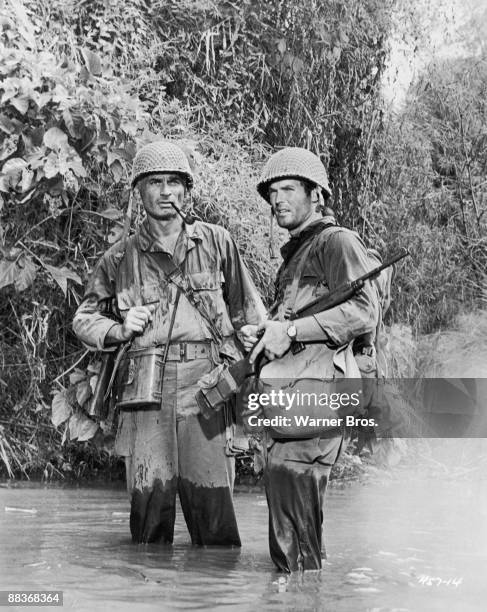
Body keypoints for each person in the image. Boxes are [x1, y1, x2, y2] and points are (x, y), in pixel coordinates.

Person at [73, 141, 265, 546]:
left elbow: (252, 315)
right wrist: (120, 329)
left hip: (208, 386)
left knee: (214, 514)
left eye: (174, 183)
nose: (165, 192)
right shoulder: (118, 257)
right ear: (138, 192)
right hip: (145, 390)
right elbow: (83, 319)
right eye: (155, 183)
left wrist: (254, 341)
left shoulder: (216, 243)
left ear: (186, 190)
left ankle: (213, 599)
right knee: (148, 516)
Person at [246, 147, 381, 572]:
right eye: (272, 192)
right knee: (292, 523)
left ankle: (301, 597)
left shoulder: (335, 241)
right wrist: (268, 330)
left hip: (320, 394)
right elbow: (298, 319)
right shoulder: (297, 254)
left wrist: (290, 331)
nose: (277, 199)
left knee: (296, 532)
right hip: (293, 398)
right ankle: (304, 595)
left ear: (316, 195)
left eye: (288, 189)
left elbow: (364, 310)